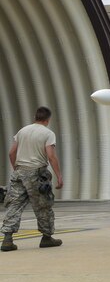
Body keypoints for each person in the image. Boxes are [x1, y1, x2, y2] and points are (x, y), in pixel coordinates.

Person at [3, 106, 64, 252]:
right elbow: (51, 155)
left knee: (14, 204)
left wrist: (16, 169)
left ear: (35, 117)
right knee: (43, 205)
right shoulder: (48, 133)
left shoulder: (22, 131)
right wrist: (59, 176)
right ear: (48, 120)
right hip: (36, 174)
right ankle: (46, 237)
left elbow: (12, 152)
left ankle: (7, 239)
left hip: (19, 172)